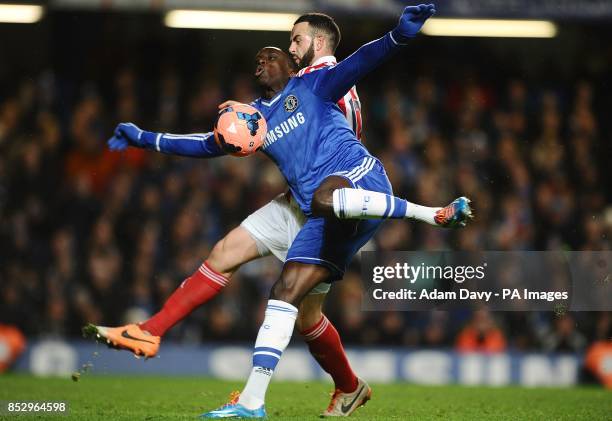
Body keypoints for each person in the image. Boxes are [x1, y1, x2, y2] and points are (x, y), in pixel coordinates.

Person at [88, 10, 465, 417]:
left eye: (279, 51)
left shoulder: (317, 81)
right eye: (262, 59)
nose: (272, 56)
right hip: (302, 201)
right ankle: (151, 332)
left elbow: (362, 60)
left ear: (300, 58)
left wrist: (397, 36)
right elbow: (203, 143)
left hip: (344, 194)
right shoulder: (255, 118)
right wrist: (146, 138)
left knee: (287, 291)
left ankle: (253, 401)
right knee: (242, 266)